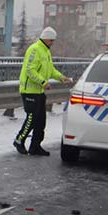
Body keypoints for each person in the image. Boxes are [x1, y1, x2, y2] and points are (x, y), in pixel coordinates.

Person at [13, 26, 73, 156]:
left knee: (41, 120)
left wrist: (61, 78)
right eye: (51, 40)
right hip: (29, 91)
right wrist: (43, 82)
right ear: (46, 39)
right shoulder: (35, 50)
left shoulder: (46, 52)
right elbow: (30, 70)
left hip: (39, 92)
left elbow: (50, 70)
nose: (52, 43)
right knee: (32, 118)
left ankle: (35, 146)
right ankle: (19, 140)